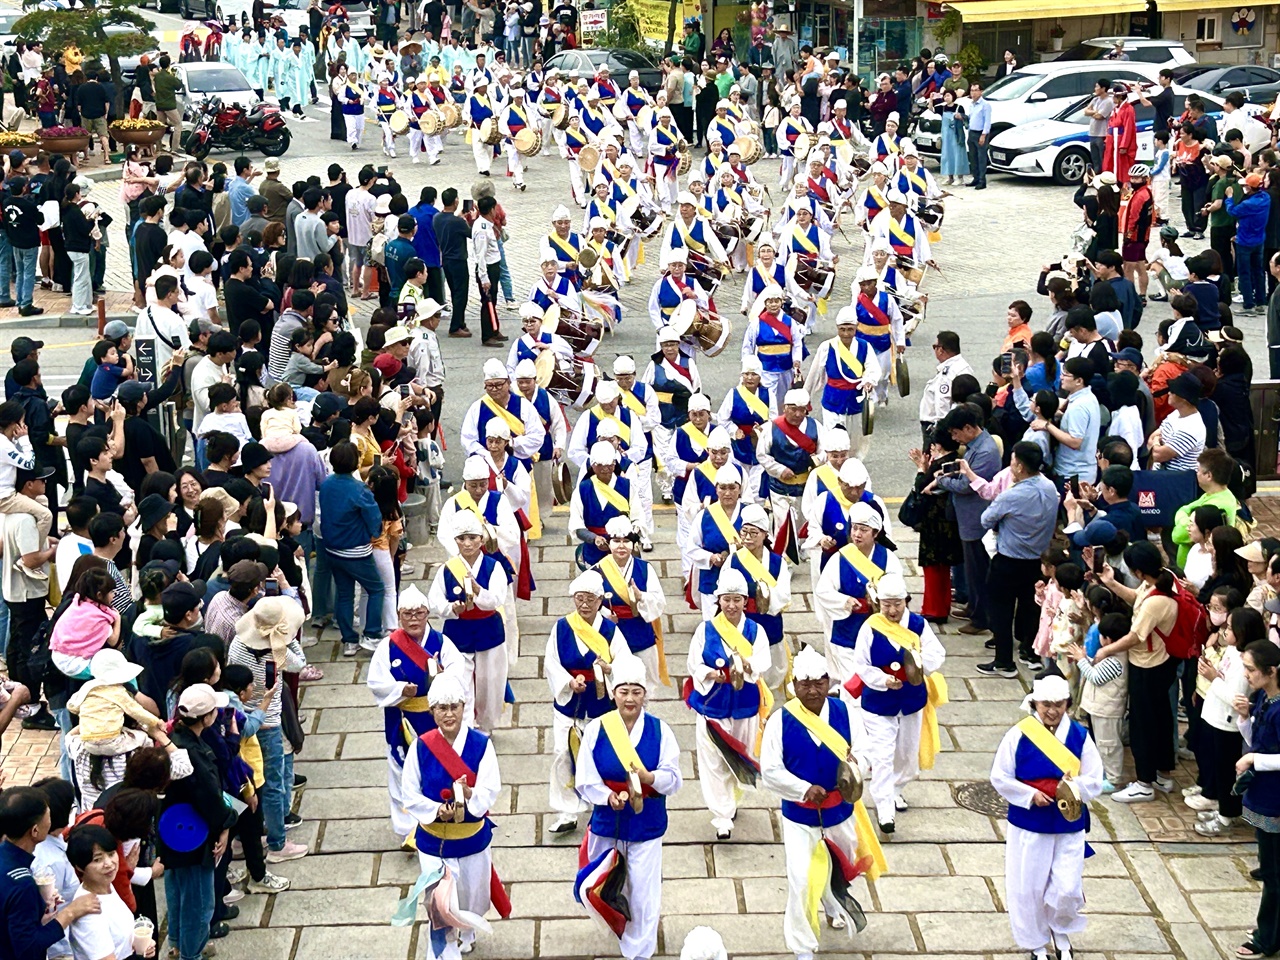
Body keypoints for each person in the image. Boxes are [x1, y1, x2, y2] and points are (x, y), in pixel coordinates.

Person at [760, 647, 884, 960]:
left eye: (819, 683)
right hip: (800, 817)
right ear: (794, 686)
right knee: (800, 877)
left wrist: (859, 763)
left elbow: (867, 751)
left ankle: (832, 905)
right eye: (805, 684)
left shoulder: (845, 713)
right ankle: (802, 943)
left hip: (840, 811)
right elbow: (770, 770)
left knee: (837, 868)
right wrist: (802, 789)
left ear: (828, 682)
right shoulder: (780, 721)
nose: (813, 690)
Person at [574, 655, 682, 960]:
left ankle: (639, 950)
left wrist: (650, 777)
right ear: (613, 694)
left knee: (644, 890)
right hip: (609, 820)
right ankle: (617, 925)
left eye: (636, 691)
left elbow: (674, 779)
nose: (630, 698)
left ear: (645, 694)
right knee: (603, 884)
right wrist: (607, 795)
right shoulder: (597, 729)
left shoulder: (661, 731)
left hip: (646, 821)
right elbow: (585, 776)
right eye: (623, 691)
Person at [990, 671, 1104, 960]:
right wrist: (1029, 795)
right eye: (1046, 705)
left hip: (1069, 822)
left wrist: (1069, 789)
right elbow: (1000, 776)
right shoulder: (1018, 735)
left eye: (1059, 704)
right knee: (1028, 885)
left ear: (1067, 703)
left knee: (1067, 887)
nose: (1052, 711)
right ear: (1035, 703)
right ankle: (1036, 942)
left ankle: (1061, 930)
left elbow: (1094, 778)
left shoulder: (1079, 736)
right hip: (1030, 823)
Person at [399, 672, 507, 960]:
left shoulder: (481, 746)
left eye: (454, 707)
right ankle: (444, 951)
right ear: (432, 711)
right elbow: (409, 793)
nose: (449, 715)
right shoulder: (420, 747)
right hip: (434, 842)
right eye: (442, 708)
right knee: (441, 904)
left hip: (472, 839)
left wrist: (470, 795)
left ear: (464, 707)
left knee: (472, 897)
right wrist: (435, 810)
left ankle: (468, 932)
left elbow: (490, 789)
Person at [850, 572, 946, 836]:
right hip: (879, 701)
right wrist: (882, 679)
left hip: (911, 699)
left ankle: (895, 789)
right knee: (881, 755)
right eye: (886, 604)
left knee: (906, 755)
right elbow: (861, 664)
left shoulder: (918, 625)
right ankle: (884, 810)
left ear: (907, 601)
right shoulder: (870, 627)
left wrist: (919, 666)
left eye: (897, 604)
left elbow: (937, 653)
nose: (891, 610)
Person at [156, 683, 238, 960]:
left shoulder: (173, 740)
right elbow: (209, 797)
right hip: (194, 836)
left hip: (171, 834)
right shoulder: (194, 756)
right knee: (199, 903)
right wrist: (226, 824)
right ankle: (190, 953)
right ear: (206, 718)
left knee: (178, 894)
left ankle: (178, 946)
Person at [977, 443, 1062, 678]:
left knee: (1001, 610)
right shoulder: (1048, 487)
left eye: (1013, 461)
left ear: (1020, 466)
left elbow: (986, 519)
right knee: (1032, 607)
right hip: (1037, 560)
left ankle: (1004, 661)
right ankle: (1030, 651)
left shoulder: (1013, 495)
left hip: (1009, 561)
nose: (1011, 465)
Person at [966, 82, 990, 190]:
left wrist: (984, 135)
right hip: (972, 132)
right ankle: (975, 177)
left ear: (981, 92)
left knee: (981, 158)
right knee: (973, 157)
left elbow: (987, 122)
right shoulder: (971, 104)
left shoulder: (985, 105)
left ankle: (982, 180)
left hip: (980, 133)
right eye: (972, 90)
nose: (973, 93)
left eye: (976, 90)